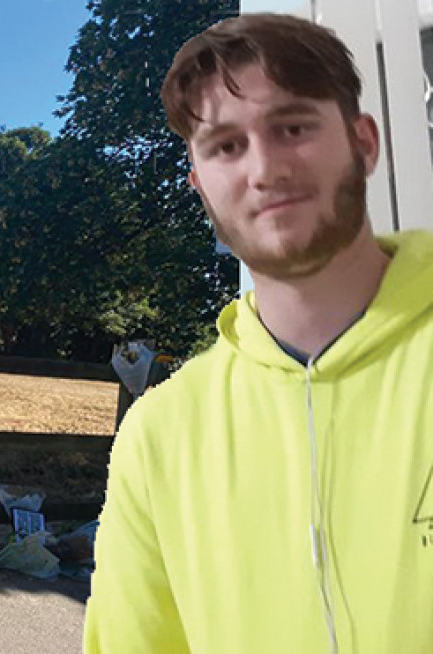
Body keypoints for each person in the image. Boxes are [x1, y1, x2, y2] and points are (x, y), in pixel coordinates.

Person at [83, 12, 433, 654]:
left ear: (364, 142)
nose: (265, 169)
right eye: (225, 146)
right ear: (200, 186)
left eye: (292, 126)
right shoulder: (157, 439)